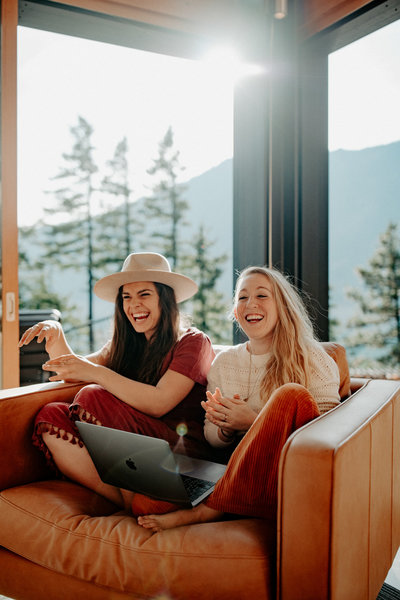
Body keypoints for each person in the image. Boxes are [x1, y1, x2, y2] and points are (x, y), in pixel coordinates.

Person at [137, 265, 340, 532]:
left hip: (287, 476)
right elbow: (212, 438)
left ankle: (209, 511)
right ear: (235, 312)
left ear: (283, 306)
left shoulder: (313, 359)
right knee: (146, 503)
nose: (250, 304)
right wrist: (225, 426)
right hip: (239, 474)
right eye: (242, 297)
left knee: (291, 395)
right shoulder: (224, 363)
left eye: (262, 295)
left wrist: (253, 421)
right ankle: (228, 500)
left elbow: (330, 433)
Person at [19, 252, 215, 509]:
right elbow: (73, 369)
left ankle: (137, 495)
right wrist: (56, 337)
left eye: (144, 294)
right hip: (136, 452)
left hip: (183, 453)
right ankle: (121, 498)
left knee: (91, 396)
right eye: (126, 297)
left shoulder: (193, 342)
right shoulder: (126, 344)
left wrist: (97, 374)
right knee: (51, 415)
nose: (134, 305)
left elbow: (159, 403)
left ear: (166, 299)